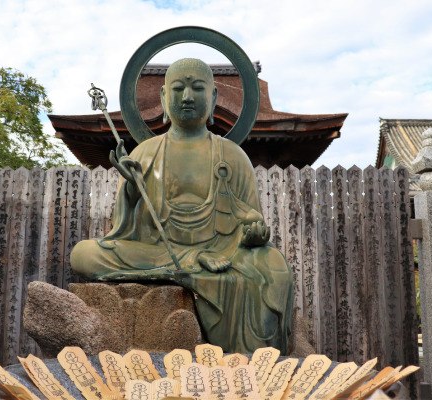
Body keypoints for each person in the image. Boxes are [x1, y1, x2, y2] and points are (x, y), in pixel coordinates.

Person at [70, 58, 293, 353]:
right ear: (164, 97)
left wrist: (253, 234)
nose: (187, 97)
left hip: (222, 253)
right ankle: (190, 260)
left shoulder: (233, 156)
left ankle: (258, 360)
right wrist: (133, 194)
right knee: (83, 254)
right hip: (162, 253)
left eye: (197, 88)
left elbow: (249, 220)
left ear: (213, 97)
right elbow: (122, 233)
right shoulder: (145, 152)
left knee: (274, 266)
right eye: (178, 89)